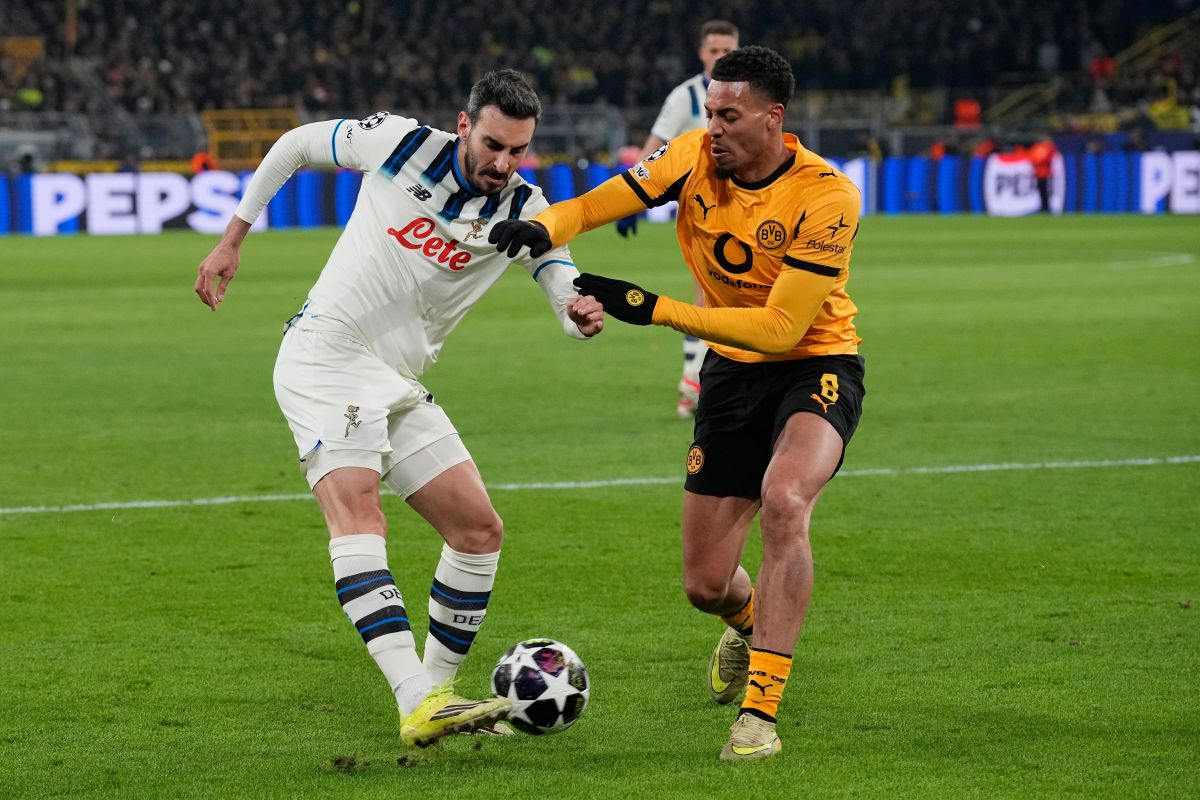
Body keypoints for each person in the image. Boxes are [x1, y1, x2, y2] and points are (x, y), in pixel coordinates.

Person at [193, 70, 604, 749]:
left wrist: (580, 314)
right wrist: (233, 236)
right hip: (325, 354)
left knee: (478, 531)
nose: (503, 164)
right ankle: (413, 696)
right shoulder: (397, 142)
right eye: (494, 145)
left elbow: (564, 291)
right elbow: (296, 144)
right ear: (465, 125)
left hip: (395, 379)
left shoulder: (529, 211)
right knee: (361, 513)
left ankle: (434, 694)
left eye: (518, 151)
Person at [491, 46, 865, 762]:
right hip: (732, 377)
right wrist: (545, 229)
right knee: (704, 584)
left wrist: (653, 308)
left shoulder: (827, 196)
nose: (713, 127)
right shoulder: (691, 155)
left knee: (786, 500)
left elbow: (782, 327)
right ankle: (750, 620)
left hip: (815, 365)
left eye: (729, 115)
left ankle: (760, 716)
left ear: (773, 119)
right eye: (710, 113)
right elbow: (606, 201)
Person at [618, 20, 739, 419]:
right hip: (701, 209)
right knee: (709, 293)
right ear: (702, 53)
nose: (720, 56)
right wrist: (629, 202)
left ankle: (710, 380)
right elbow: (654, 148)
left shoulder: (752, 94)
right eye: (713, 50)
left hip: (751, 205)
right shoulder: (684, 96)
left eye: (727, 50)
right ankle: (695, 382)